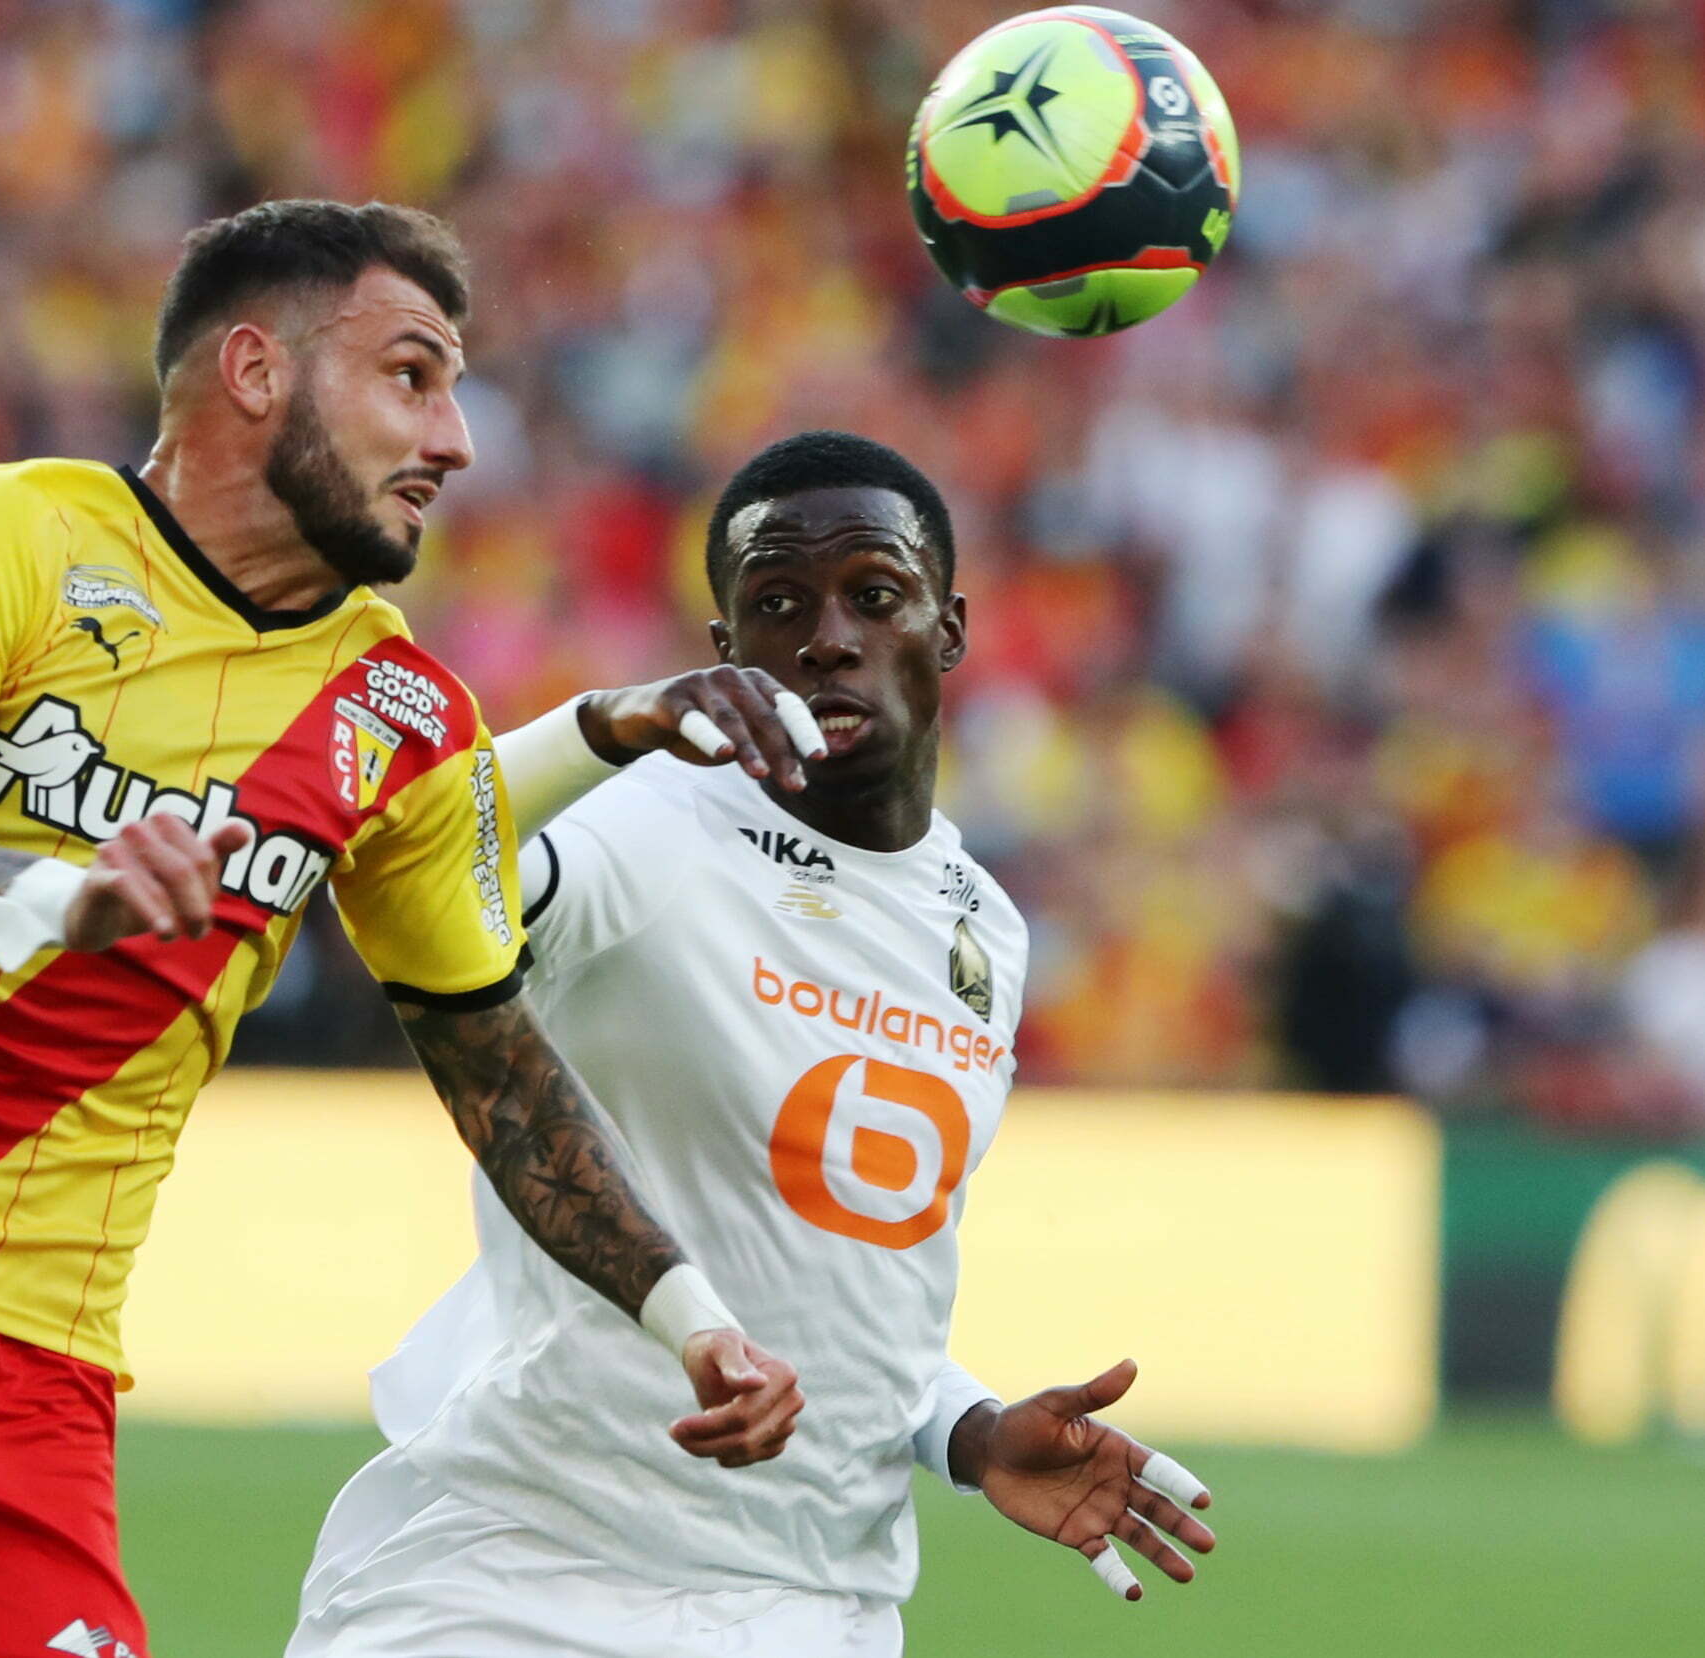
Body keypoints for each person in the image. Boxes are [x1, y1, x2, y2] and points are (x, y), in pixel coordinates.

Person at [0, 201, 801, 1658]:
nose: (457, 440)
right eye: (411, 377)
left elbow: (502, 1074)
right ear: (257, 370)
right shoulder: (17, 529)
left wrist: (689, 1313)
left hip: (30, 1375)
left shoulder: (401, 714)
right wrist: (48, 898)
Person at [288, 431, 1219, 1657]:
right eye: (779, 604)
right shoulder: (655, 824)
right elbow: (400, 851)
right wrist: (605, 725)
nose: (827, 637)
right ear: (724, 649)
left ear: (948, 629)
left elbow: (853, 1291)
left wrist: (969, 1430)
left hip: (811, 1606)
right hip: (525, 1570)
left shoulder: (982, 927)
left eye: (874, 595)